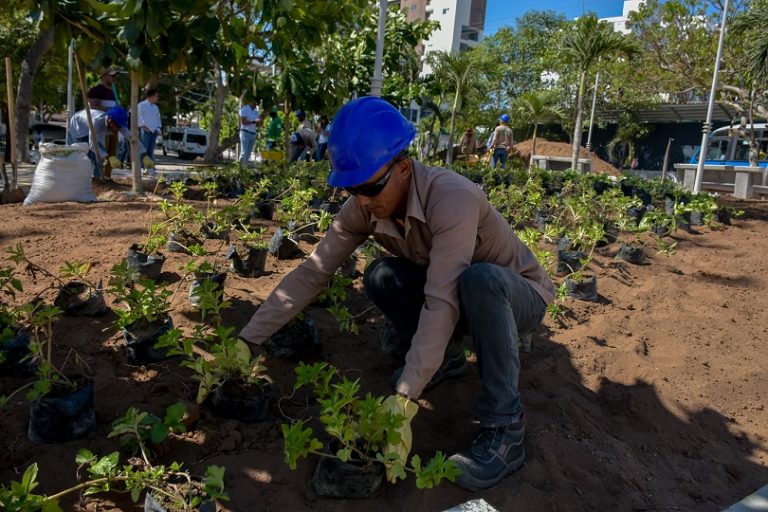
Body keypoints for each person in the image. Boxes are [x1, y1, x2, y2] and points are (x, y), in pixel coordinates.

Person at [238, 97, 555, 491]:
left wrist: (406, 395)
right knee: (382, 275)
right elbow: (314, 269)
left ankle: (506, 428)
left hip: (517, 296)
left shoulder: (451, 197)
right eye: (353, 189)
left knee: (480, 280)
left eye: (370, 186)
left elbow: (442, 298)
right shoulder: (364, 205)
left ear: (403, 168)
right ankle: (447, 360)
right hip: (462, 293)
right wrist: (249, 339)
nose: (363, 199)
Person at [70, 106, 151, 179]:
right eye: (118, 126)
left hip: (94, 129)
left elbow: (132, 138)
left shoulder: (117, 123)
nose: (119, 129)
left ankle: (99, 178)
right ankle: (94, 180)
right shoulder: (96, 122)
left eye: (120, 126)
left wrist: (144, 155)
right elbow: (93, 144)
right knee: (87, 154)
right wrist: (109, 157)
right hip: (78, 127)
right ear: (110, 121)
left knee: (100, 153)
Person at [87, 67, 121, 177]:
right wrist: (110, 111)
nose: (114, 78)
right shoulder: (96, 91)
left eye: (115, 76)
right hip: (101, 127)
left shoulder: (114, 92)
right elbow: (93, 107)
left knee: (112, 154)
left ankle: (107, 176)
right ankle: (97, 176)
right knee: (101, 152)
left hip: (114, 127)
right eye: (112, 76)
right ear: (104, 76)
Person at [138, 89, 162, 175]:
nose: (157, 98)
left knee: (150, 151)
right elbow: (138, 117)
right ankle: (141, 168)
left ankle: (149, 168)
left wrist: (158, 128)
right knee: (143, 150)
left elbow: (158, 118)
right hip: (145, 131)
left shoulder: (156, 107)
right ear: (151, 96)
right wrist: (143, 126)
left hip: (154, 131)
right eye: (156, 96)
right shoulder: (141, 105)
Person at [239, 96, 261, 165]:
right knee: (244, 153)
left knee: (248, 153)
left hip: (253, 133)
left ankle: (244, 169)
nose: (256, 104)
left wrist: (258, 123)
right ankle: (240, 169)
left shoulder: (255, 111)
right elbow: (243, 122)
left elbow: (256, 124)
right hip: (245, 133)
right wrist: (254, 121)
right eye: (255, 103)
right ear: (251, 102)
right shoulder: (244, 109)